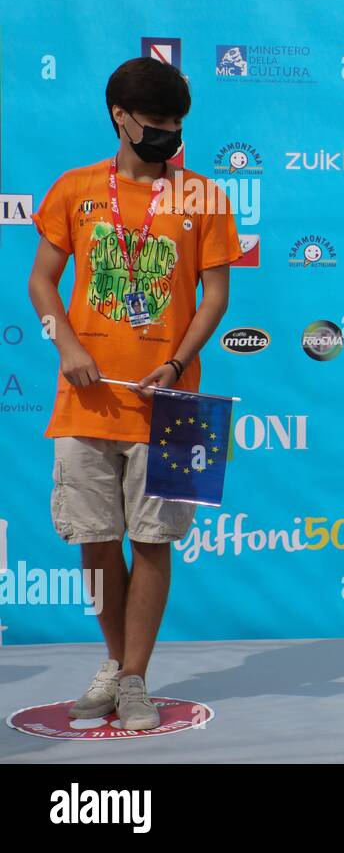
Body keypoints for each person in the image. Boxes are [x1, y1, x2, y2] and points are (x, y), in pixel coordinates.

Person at [26, 57, 240, 730]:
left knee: (154, 543)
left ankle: (138, 678)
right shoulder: (76, 188)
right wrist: (68, 345)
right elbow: (40, 284)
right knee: (95, 540)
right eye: (154, 125)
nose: (167, 138)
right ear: (120, 116)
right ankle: (114, 666)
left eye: (176, 127)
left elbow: (218, 297)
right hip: (84, 401)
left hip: (177, 405)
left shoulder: (203, 195)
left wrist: (176, 366)